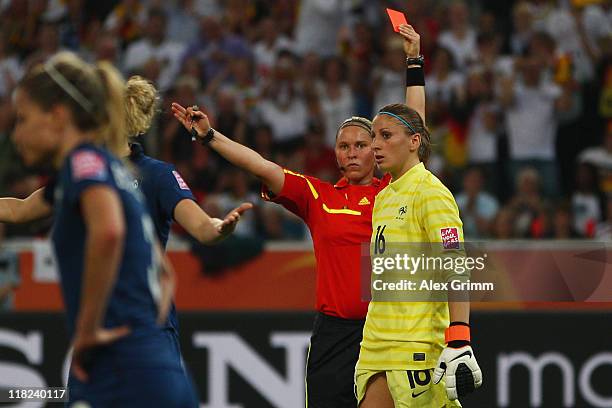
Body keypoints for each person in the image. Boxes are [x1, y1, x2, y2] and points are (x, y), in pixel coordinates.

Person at [1, 74, 252, 403]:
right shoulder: (81, 169)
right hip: (99, 336)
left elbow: (203, 227)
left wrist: (221, 228)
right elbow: (20, 210)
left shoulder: (154, 176)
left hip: (144, 333)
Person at [11, 52, 195, 406]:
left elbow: (108, 232)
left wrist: (88, 329)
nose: (16, 132)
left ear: (58, 116)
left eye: (23, 118)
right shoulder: (116, 171)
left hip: (123, 370)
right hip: (153, 365)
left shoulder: (85, 162)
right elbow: (165, 273)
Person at [356, 25, 482, 407]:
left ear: (414, 142)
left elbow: (456, 262)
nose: (375, 145)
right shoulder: (385, 194)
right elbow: (413, 124)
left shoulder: (431, 193)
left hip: (416, 346)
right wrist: (412, 62)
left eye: (385, 137)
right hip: (375, 342)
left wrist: (459, 336)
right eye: (373, 137)